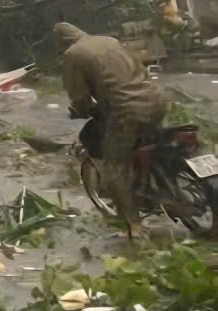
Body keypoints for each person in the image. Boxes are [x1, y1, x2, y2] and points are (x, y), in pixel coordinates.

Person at [55, 22, 166, 235]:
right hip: (156, 99)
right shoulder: (110, 41)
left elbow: (78, 96)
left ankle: (133, 222)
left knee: (115, 167)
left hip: (127, 110)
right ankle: (162, 190)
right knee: (153, 146)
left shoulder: (73, 54)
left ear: (62, 41)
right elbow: (139, 68)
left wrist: (82, 109)